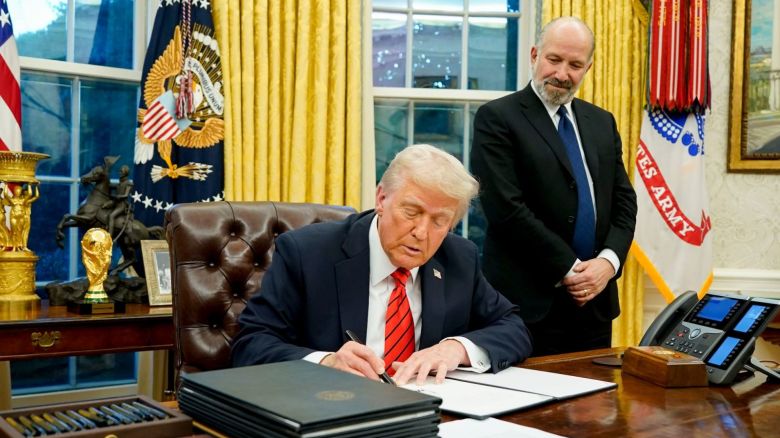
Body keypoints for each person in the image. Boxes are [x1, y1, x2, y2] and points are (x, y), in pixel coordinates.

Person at [232, 144, 532, 385]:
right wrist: (326, 362)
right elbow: (251, 343)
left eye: (440, 221)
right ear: (381, 198)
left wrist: (456, 348)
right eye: (411, 212)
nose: (422, 233)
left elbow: (512, 327)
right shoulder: (307, 253)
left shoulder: (458, 258)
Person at [470, 17, 637, 356]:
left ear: (588, 68)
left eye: (575, 65)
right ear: (535, 55)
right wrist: (571, 269)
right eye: (554, 59)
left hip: (594, 303)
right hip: (525, 305)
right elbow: (505, 209)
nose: (562, 74)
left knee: (595, 392)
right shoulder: (497, 118)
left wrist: (607, 264)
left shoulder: (602, 122)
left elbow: (624, 202)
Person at [103, 165, 133, 237]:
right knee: (103, 208)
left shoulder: (128, 183)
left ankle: (109, 235)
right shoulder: (119, 183)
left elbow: (126, 195)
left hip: (122, 205)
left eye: (121, 171)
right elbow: (109, 186)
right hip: (115, 203)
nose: (119, 172)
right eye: (120, 171)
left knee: (111, 216)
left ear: (125, 173)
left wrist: (118, 196)